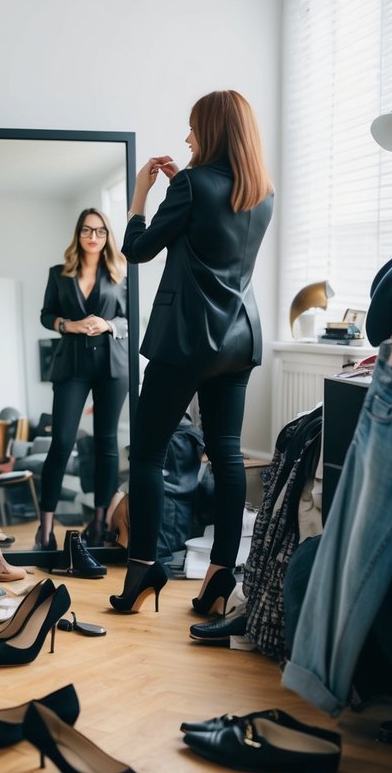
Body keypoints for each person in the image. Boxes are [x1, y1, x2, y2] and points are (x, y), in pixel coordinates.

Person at [109, 90, 274, 621]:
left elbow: (136, 249)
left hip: (186, 341)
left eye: (193, 129)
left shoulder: (190, 185)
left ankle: (142, 569)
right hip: (239, 339)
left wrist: (141, 196)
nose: (186, 138)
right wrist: (184, 187)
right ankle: (219, 580)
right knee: (226, 454)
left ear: (214, 131)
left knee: (149, 453)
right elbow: (215, 243)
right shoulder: (262, 193)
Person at [36, 208, 129, 562]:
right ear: (78, 234)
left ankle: (100, 524)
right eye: (87, 230)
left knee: (107, 444)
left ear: (107, 237)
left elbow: (129, 319)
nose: (93, 236)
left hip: (111, 365)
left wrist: (108, 326)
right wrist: (68, 325)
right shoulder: (58, 274)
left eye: (101, 231)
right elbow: (46, 314)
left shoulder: (119, 274)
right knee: (61, 443)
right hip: (71, 365)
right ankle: (45, 529)